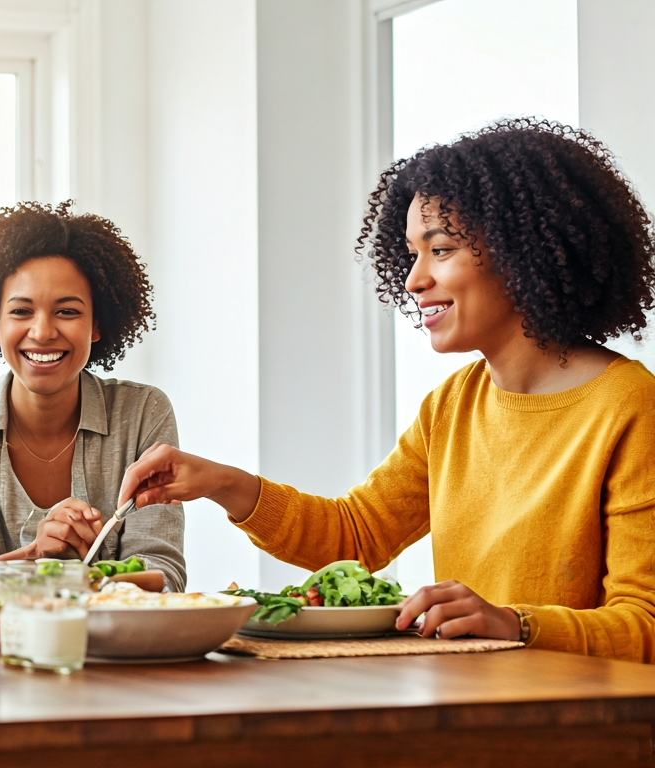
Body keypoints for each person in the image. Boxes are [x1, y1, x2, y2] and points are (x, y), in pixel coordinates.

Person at [119, 119, 655, 662]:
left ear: (526, 252)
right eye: (411, 254)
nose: (413, 279)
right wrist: (224, 483)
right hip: (475, 709)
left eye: (440, 249)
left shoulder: (630, 406)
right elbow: (356, 535)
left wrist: (514, 623)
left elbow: (644, 626)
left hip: (582, 726)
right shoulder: (453, 405)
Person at [0, 201, 186, 623]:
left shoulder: (142, 413)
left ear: (97, 325)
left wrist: (49, 577)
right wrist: (36, 555)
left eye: (67, 311)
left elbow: (166, 577)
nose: (43, 332)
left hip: (116, 665)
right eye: (21, 311)